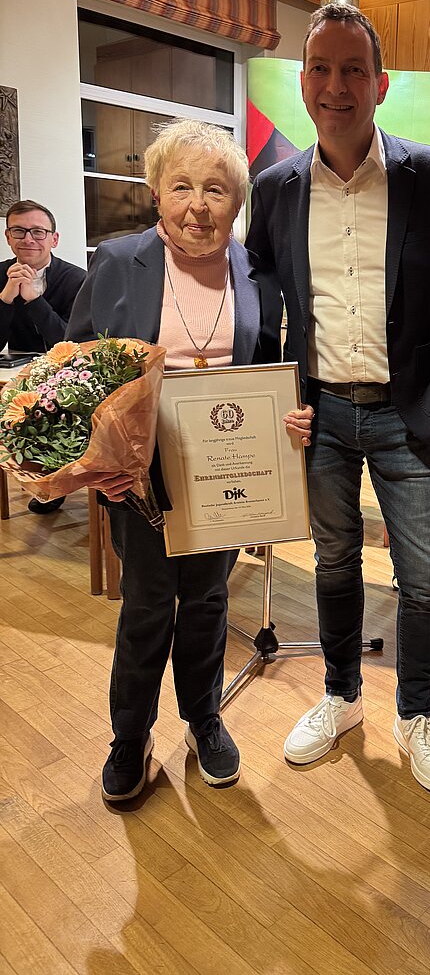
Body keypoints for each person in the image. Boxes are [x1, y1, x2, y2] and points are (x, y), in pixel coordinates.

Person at [247, 3, 430, 793]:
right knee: (334, 561)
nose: (337, 85)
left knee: (424, 575)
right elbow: (259, 292)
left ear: (380, 84)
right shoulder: (275, 188)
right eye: (321, 68)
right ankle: (341, 696)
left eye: (354, 69)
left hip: (405, 408)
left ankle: (414, 714)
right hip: (317, 412)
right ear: (303, 83)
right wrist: (269, 388)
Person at [67, 119, 278, 802]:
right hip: (140, 474)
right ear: (156, 193)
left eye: (216, 189)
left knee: (209, 600)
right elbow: (75, 370)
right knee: (148, 605)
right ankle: (130, 735)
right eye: (181, 186)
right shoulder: (117, 261)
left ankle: (204, 718)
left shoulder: (257, 272)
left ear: (236, 201)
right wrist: (95, 457)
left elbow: (269, 367)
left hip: (226, 467)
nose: (198, 205)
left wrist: (290, 420)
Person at [2, 200, 86, 514]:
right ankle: (38, 475)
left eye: (38, 232)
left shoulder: (76, 279)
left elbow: (69, 342)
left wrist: (35, 300)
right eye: (19, 231)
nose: (29, 239)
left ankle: (52, 481)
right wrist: (5, 298)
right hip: (18, 372)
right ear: (8, 237)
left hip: (68, 371)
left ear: (54, 239)